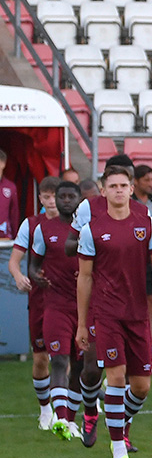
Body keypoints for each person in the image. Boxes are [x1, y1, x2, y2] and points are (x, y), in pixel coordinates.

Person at [75, 166, 152, 458]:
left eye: (123, 185)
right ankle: (117, 447)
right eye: (112, 185)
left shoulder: (147, 224)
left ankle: (118, 421)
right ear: (103, 191)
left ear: (130, 189)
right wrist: (82, 321)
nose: (118, 190)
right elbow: (84, 278)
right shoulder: (92, 229)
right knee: (115, 377)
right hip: (107, 314)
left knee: (141, 386)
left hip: (138, 313)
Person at [30, 181, 86, 441]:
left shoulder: (89, 228)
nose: (65, 200)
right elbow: (34, 264)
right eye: (60, 196)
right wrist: (35, 276)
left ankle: (72, 418)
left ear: (78, 199)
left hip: (85, 308)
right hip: (56, 306)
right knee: (59, 360)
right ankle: (61, 418)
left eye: (70, 196)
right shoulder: (44, 229)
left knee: (80, 365)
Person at [8, 177, 59, 429]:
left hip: (69, 298)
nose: (51, 202)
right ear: (40, 199)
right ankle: (45, 408)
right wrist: (19, 276)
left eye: (55, 196)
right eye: (46, 197)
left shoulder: (77, 224)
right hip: (40, 299)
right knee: (41, 358)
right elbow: (14, 260)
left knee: (66, 356)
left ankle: (66, 413)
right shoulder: (31, 225)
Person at [0, 149, 18, 239]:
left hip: (5, 238)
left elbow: (14, 213)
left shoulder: (10, 187)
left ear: (3, 163)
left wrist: (15, 237)